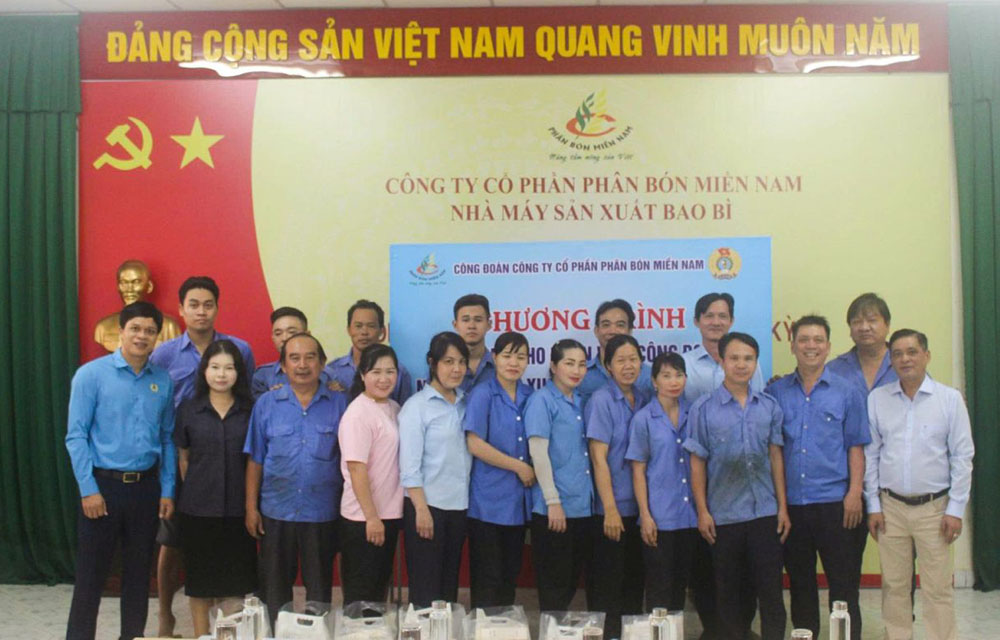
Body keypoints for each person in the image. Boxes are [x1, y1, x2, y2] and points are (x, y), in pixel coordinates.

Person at [150, 275, 255, 636]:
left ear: (217, 308)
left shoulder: (239, 349)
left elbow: (247, 397)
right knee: (174, 546)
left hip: (233, 473)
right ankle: (166, 615)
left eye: (208, 304)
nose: (201, 311)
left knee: (230, 563)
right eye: (193, 304)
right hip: (187, 466)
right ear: (180, 309)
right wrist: (185, 482)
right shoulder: (164, 353)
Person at [65, 301, 176, 640]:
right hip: (103, 489)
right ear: (122, 331)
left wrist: (168, 490)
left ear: (157, 336)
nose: (142, 336)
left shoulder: (162, 380)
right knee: (91, 578)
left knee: (139, 578)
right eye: (136, 329)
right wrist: (88, 489)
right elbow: (76, 436)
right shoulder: (91, 375)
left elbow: (167, 438)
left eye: (150, 331)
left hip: (145, 489)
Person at [865, 329, 974, 640]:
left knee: (937, 587)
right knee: (894, 585)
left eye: (912, 352)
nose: (905, 359)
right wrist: (873, 505)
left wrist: (955, 510)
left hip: (935, 509)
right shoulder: (878, 399)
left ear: (927, 355)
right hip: (891, 508)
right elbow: (871, 455)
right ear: (891, 360)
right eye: (897, 354)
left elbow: (963, 456)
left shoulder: (949, 400)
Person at [765, 316, 869, 640]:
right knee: (800, 585)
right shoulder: (776, 392)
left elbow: (855, 446)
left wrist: (854, 493)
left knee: (844, 586)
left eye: (818, 340)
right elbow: (774, 451)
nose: (811, 346)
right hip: (793, 506)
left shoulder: (847, 391)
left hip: (836, 504)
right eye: (804, 339)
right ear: (793, 345)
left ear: (828, 346)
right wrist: (781, 506)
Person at [685, 332, 789, 640]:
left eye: (748, 359)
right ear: (722, 361)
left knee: (770, 592)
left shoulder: (769, 407)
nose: (741, 365)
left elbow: (775, 457)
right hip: (724, 516)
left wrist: (782, 508)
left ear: (756, 363)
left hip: (765, 513)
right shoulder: (703, 409)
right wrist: (703, 511)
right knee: (728, 593)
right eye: (734, 358)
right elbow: (697, 462)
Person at [243, 333, 347, 624]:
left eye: (310, 357)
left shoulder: (340, 403)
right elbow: (255, 459)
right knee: (274, 589)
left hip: (321, 512)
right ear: (283, 366)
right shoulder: (266, 404)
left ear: (322, 363)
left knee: (319, 589)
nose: (302, 365)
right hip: (277, 510)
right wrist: (251, 508)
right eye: (294, 358)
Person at [825, 292, 899, 632]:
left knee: (898, 574)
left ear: (887, 325)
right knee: (845, 574)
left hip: (895, 485)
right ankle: (846, 633)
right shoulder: (835, 369)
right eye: (857, 321)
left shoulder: (903, 363)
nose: (865, 327)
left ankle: (899, 631)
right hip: (849, 488)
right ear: (849, 328)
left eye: (872, 320)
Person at [173, 340, 257, 637]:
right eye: (215, 367)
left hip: (239, 510)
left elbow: (255, 460)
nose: (222, 375)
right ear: (204, 370)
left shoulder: (251, 410)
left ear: (239, 372)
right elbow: (184, 458)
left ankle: (227, 636)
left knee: (234, 583)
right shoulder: (188, 409)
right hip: (197, 510)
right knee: (199, 584)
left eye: (229, 368)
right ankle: (201, 635)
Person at [399, 331, 472, 606]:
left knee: (448, 587)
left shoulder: (466, 402)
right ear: (432, 363)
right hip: (427, 507)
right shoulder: (416, 407)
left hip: (459, 506)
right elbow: (409, 467)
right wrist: (421, 510)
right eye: (448, 361)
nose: (456, 369)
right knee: (425, 589)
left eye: (461, 362)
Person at [463, 331, 535, 608]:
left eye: (521, 357)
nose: (513, 363)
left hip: (518, 503)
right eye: (507, 356)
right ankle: (483, 627)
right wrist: (518, 466)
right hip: (487, 502)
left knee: (509, 575)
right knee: (488, 576)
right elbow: (474, 443)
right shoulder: (483, 393)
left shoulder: (530, 395)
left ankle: (505, 626)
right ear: (494, 358)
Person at [626, 353, 701, 615]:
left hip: (690, 517)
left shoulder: (695, 413)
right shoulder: (644, 419)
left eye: (679, 375)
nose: (674, 381)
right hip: (659, 518)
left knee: (680, 588)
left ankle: (675, 632)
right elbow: (638, 470)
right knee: (659, 589)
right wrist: (645, 515)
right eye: (666, 375)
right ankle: (658, 632)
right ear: (654, 381)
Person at [585, 334, 649, 639]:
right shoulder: (601, 400)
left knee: (635, 585)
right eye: (620, 360)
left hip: (641, 510)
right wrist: (609, 509)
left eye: (633, 359)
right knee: (608, 587)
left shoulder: (645, 398)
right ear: (608, 366)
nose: (628, 366)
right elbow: (598, 458)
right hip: (612, 510)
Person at [526, 339, 594, 612]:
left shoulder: (581, 401)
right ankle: (550, 630)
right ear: (553, 366)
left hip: (582, 506)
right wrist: (552, 501)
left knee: (570, 583)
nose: (576, 370)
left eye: (582, 364)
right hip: (554, 509)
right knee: (554, 588)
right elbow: (538, 454)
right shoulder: (541, 400)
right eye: (569, 363)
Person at [338, 343, 405, 605]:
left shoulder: (394, 408)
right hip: (363, 518)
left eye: (390, 371)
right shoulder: (358, 413)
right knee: (361, 596)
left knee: (378, 593)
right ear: (362, 374)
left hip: (388, 514)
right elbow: (356, 468)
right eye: (376, 372)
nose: (384, 378)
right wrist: (372, 517)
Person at [326, 299, 413, 404]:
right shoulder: (332, 371)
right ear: (349, 330)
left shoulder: (399, 373)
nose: (364, 332)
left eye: (371, 326)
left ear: (382, 331)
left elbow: (404, 411)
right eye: (358, 326)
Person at [682, 293, 764, 404]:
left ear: (731, 321)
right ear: (696, 321)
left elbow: (758, 402)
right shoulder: (685, 363)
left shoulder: (747, 361)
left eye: (722, 316)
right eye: (709, 316)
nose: (716, 323)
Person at [577, 299, 653, 409]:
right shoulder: (581, 375)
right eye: (606, 325)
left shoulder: (649, 376)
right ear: (596, 331)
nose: (612, 331)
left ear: (630, 331)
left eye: (620, 325)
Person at [93, 259, 181, 352]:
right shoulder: (103, 327)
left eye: (136, 282)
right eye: (124, 282)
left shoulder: (168, 327)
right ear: (118, 286)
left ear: (149, 286)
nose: (129, 289)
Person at [252, 306, 309, 399]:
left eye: (291, 332)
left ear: (307, 335)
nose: (284, 338)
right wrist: (272, 399)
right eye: (278, 334)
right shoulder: (262, 376)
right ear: (273, 338)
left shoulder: (327, 375)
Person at [453, 293, 494, 392]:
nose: (471, 326)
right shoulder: (441, 367)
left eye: (478, 320)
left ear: (489, 324)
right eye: (465, 320)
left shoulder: (502, 367)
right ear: (455, 325)